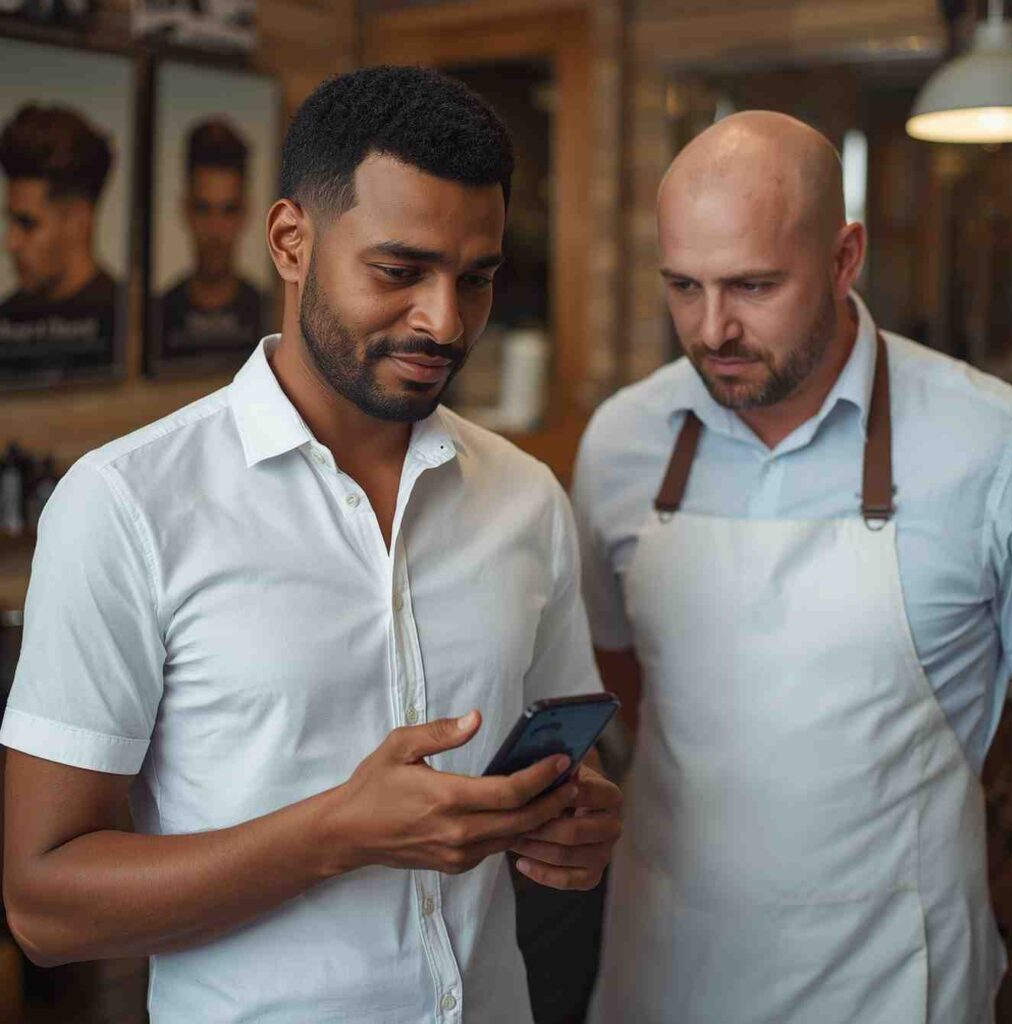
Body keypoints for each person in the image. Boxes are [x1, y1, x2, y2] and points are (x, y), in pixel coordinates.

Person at [1, 66, 622, 1023]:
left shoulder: (526, 500)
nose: (444, 320)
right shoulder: (126, 504)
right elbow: (44, 906)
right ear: (292, 241)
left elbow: (554, 785)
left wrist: (573, 829)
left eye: (478, 278)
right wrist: (334, 833)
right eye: (399, 271)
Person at [576, 110, 1012, 1023]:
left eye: (753, 285)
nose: (712, 330)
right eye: (683, 288)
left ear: (844, 257)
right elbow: (619, 668)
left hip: (896, 977)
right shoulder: (623, 441)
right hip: (667, 960)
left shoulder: (994, 445)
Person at [0, 104, 119, 366]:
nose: (10, 243)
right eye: (11, 222)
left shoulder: (129, 324)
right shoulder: (6, 317)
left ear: (77, 221)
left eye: (27, 224)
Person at [157, 117, 269, 355]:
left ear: (245, 213)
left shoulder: (267, 313)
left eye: (228, 210)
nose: (215, 230)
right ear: (185, 211)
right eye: (203, 209)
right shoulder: (158, 313)